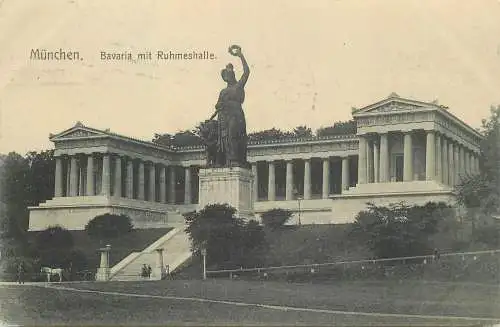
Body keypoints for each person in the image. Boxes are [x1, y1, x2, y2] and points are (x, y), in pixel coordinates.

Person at [210, 45, 250, 167]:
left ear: (232, 75)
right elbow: (217, 105)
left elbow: (247, 72)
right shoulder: (223, 91)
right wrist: (219, 105)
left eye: (229, 74)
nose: (227, 77)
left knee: (233, 134)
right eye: (225, 76)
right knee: (223, 139)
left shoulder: (238, 86)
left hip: (236, 115)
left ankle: (234, 159)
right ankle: (224, 159)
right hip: (224, 117)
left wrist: (240, 56)